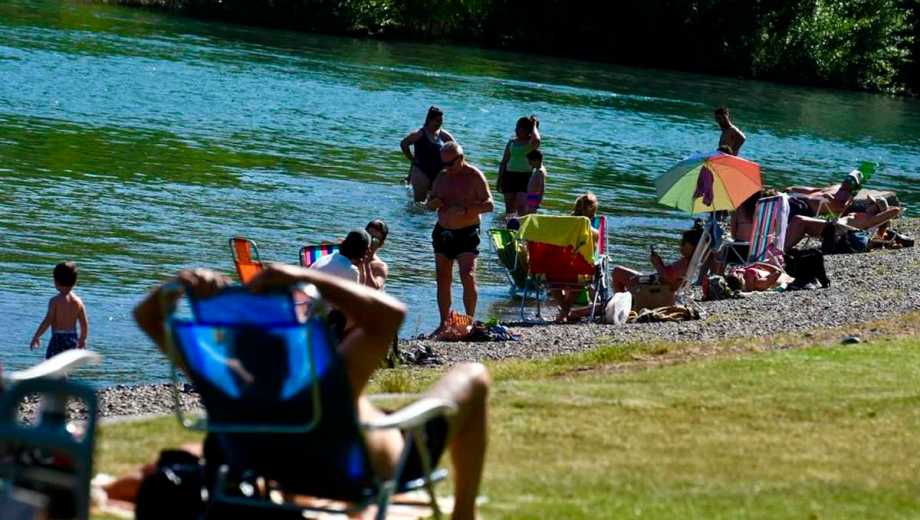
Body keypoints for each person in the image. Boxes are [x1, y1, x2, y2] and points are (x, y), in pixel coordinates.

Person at [132, 265, 490, 520]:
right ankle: (464, 514)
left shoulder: (219, 378)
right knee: (472, 375)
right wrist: (304, 276)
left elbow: (145, 317)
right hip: (363, 472)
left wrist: (178, 286)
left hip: (270, 467)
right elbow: (390, 315)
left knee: (361, 410)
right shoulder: (329, 379)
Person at [427, 142, 494, 331]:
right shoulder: (442, 176)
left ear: (461, 158)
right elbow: (429, 203)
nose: (447, 168)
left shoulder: (474, 176)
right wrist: (433, 203)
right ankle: (443, 323)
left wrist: (466, 209)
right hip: (443, 231)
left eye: (451, 164)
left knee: (467, 275)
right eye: (444, 164)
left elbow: (490, 205)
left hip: (467, 232)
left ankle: (469, 321)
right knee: (443, 277)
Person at [612, 224, 705, 308]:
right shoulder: (689, 263)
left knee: (617, 272)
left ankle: (622, 305)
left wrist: (656, 263)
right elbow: (670, 276)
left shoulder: (684, 264)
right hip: (656, 284)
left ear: (693, 247)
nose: (680, 246)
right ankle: (626, 302)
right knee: (619, 272)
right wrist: (659, 262)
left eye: (683, 243)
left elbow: (667, 278)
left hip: (653, 288)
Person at [30, 261, 89, 359]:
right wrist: (82, 339)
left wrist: (37, 336)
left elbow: (48, 320)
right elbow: (84, 323)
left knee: (52, 364)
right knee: (65, 364)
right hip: (72, 338)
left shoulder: (55, 301)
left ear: (55, 282)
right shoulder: (78, 301)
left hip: (58, 338)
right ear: (74, 282)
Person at [400, 106, 455, 203]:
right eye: (437, 121)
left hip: (438, 174)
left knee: (435, 203)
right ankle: (412, 218)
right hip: (421, 171)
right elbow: (404, 144)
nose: (439, 124)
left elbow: (457, 150)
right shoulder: (419, 134)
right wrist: (412, 159)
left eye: (441, 121)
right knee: (419, 204)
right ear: (429, 120)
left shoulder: (444, 135)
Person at [497, 115, 541, 215]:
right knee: (509, 207)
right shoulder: (511, 142)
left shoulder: (531, 144)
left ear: (527, 130)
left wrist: (534, 125)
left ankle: (521, 227)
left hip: (525, 177)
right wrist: (499, 179)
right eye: (516, 127)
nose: (515, 130)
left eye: (518, 128)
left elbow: (537, 140)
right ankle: (508, 227)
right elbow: (504, 161)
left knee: (522, 206)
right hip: (509, 176)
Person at [362, 219, 390, 290]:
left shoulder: (380, 267)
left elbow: (374, 288)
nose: (369, 241)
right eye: (368, 236)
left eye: (374, 240)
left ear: (381, 244)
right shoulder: (348, 252)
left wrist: (366, 264)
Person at [522, 149, 547, 216]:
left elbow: (542, 188)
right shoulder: (538, 169)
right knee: (527, 213)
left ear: (536, 160)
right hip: (531, 195)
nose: (529, 163)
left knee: (529, 214)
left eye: (530, 161)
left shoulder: (540, 172)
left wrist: (538, 201)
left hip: (533, 196)